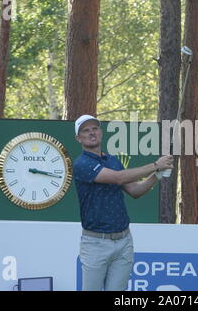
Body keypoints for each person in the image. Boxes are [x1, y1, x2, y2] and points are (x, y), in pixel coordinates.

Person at [73, 114, 173, 291]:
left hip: (123, 241)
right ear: (78, 138)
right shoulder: (82, 163)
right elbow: (118, 178)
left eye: (94, 128)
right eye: (85, 130)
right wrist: (156, 165)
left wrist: (156, 176)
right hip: (96, 243)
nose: (91, 133)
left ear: (100, 132)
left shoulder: (112, 160)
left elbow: (135, 191)